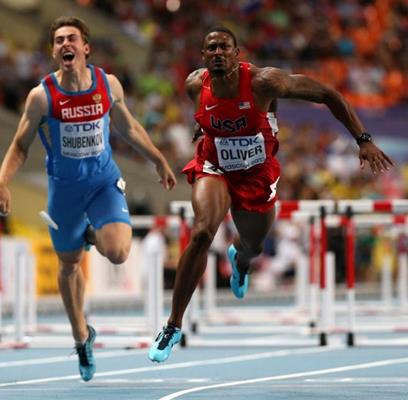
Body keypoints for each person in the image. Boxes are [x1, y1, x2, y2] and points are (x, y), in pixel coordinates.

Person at [148, 26, 394, 363]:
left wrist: (362, 138)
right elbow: (206, 114)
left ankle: (241, 261)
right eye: (211, 48)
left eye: (224, 47)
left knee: (253, 246)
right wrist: (204, 127)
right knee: (203, 231)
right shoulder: (195, 84)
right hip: (214, 166)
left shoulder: (265, 81)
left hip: (256, 174)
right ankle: (173, 325)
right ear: (204, 57)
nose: (218, 53)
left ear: (237, 54)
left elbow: (328, 95)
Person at [0, 16, 177, 381]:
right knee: (68, 264)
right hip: (65, 189)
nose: (65, 44)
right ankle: (81, 335)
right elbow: (19, 145)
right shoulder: (41, 96)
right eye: (58, 40)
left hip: (103, 181)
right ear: (53, 50)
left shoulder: (107, 84)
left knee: (120, 251)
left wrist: (157, 158)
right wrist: (1, 182)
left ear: (85, 47)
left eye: (71, 38)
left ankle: (93, 232)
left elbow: (126, 126)